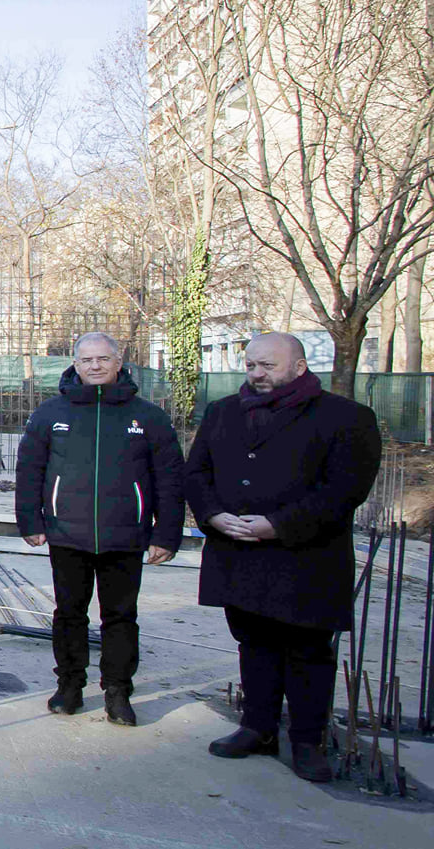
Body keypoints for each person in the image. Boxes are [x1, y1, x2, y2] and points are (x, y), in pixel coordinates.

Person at [188, 332, 381, 783]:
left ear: (298, 367)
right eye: (251, 365)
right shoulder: (223, 413)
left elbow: (345, 490)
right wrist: (213, 515)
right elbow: (197, 471)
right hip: (238, 551)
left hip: (306, 558)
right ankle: (257, 728)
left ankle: (307, 741)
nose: (256, 374)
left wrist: (279, 524)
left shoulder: (346, 417)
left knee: (307, 652)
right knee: (253, 643)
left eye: (267, 366)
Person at [15, 333, 185, 725]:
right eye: (86, 359)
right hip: (66, 533)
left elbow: (171, 479)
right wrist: (31, 520)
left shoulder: (148, 417)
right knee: (69, 614)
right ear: (74, 363)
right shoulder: (49, 414)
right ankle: (70, 685)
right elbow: (30, 471)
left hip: (125, 536)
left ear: (118, 361)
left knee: (121, 616)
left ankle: (118, 691)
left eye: (102, 359)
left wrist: (166, 534)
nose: (94, 366)